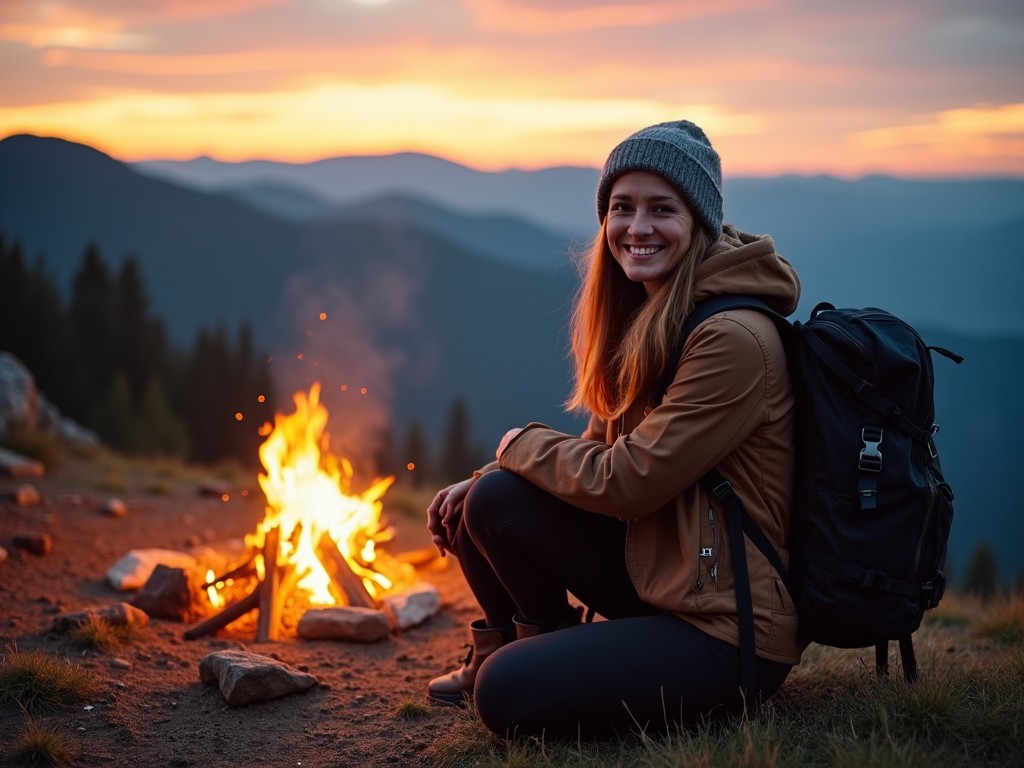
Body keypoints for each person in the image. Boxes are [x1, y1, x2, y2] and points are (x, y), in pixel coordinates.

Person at [425, 119, 804, 736]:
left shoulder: (731, 340)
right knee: (493, 500)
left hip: (727, 629)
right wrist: (493, 474)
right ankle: (529, 647)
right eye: (621, 208)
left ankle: (523, 668)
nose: (638, 227)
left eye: (662, 208)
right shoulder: (658, 311)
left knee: (506, 695)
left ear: (699, 221)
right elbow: (601, 453)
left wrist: (516, 445)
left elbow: (628, 481)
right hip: (662, 578)